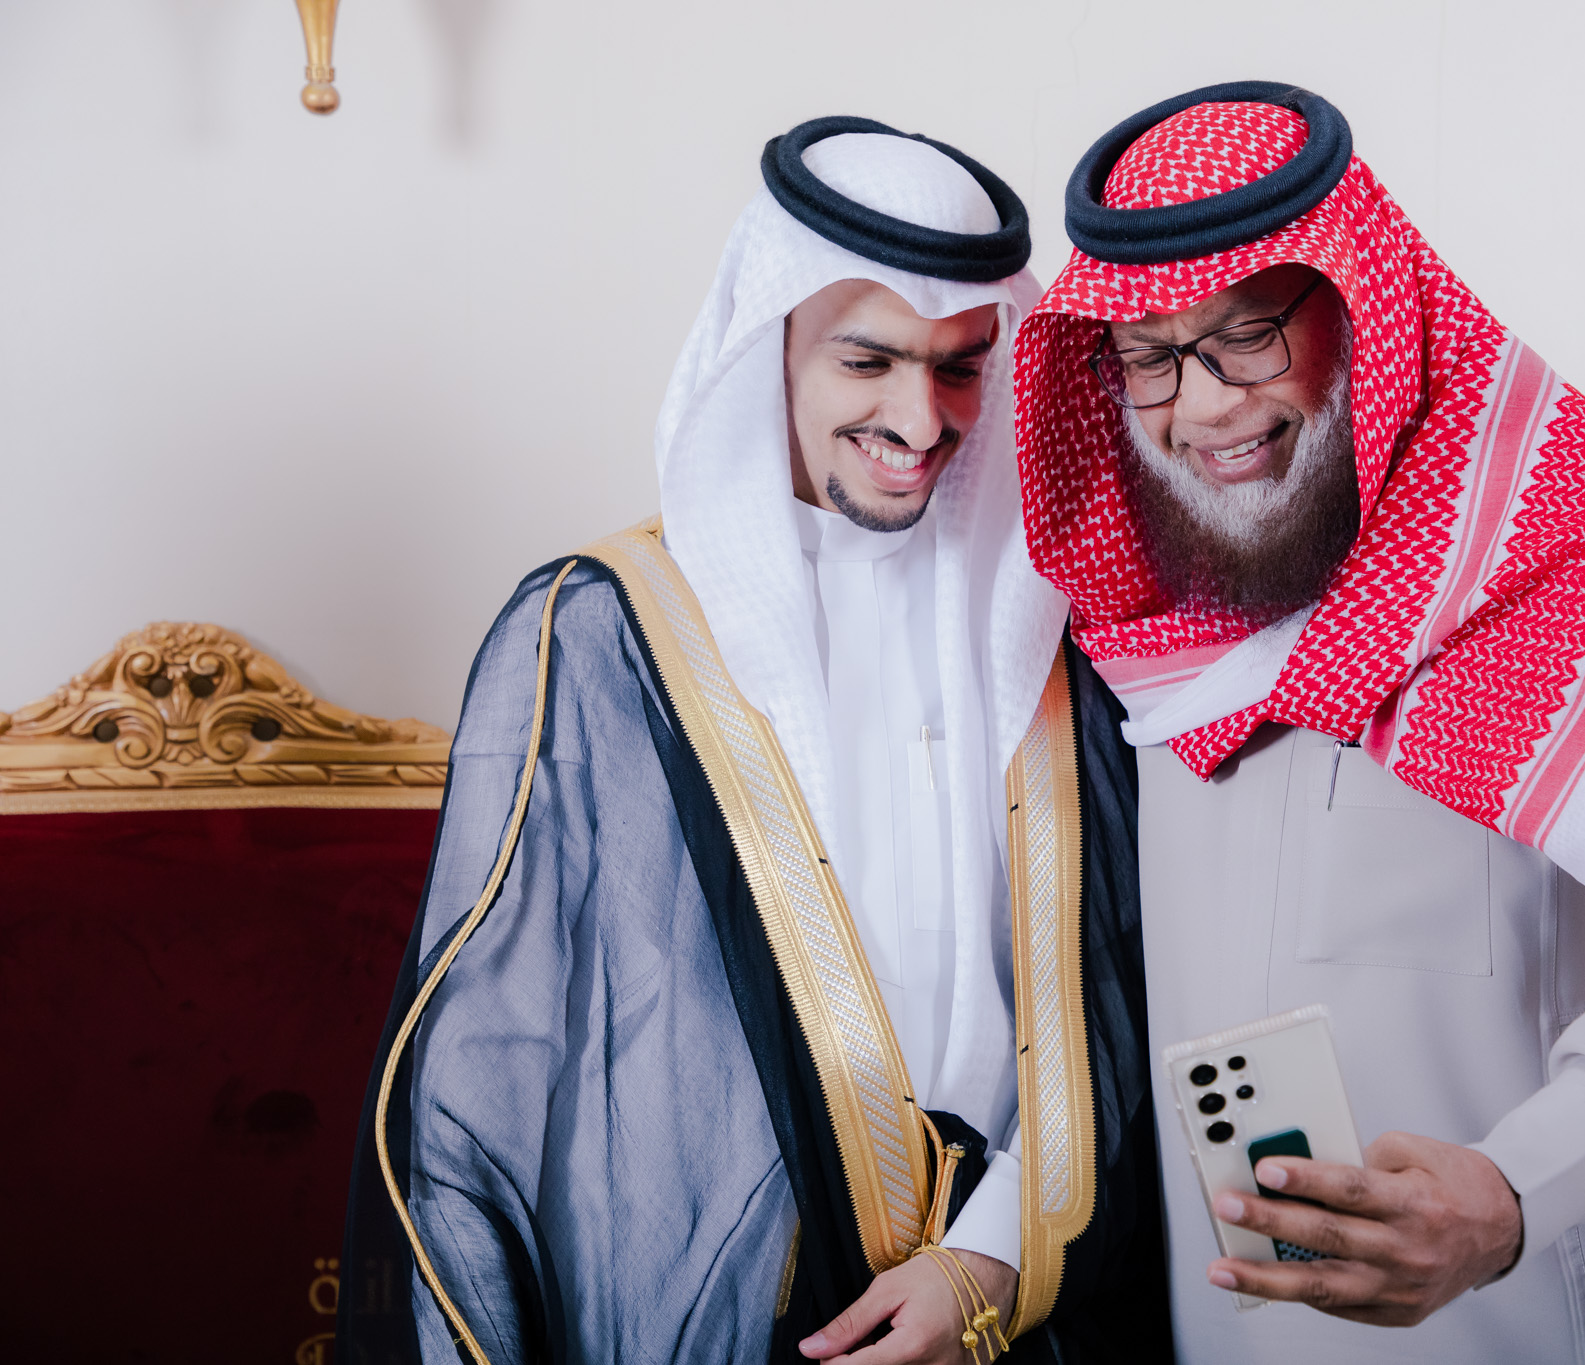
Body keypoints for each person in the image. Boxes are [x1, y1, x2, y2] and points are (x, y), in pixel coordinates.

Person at [1012, 82, 1585, 1364]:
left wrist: (1517, 1187)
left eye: (1246, 336)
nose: (1203, 406)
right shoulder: (1137, 629)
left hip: (1563, 1300)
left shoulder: (1577, 544)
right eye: (1148, 357)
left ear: (1365, 308)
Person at [339, 118, 1168, 1365]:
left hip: (1020, 1303)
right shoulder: (599, 635)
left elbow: (1122, 989)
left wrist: (993, 1255)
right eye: (867, 359)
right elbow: (481, 1080)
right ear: (768, 343)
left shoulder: (1055, 627)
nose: (920, 419)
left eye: (959, 368)